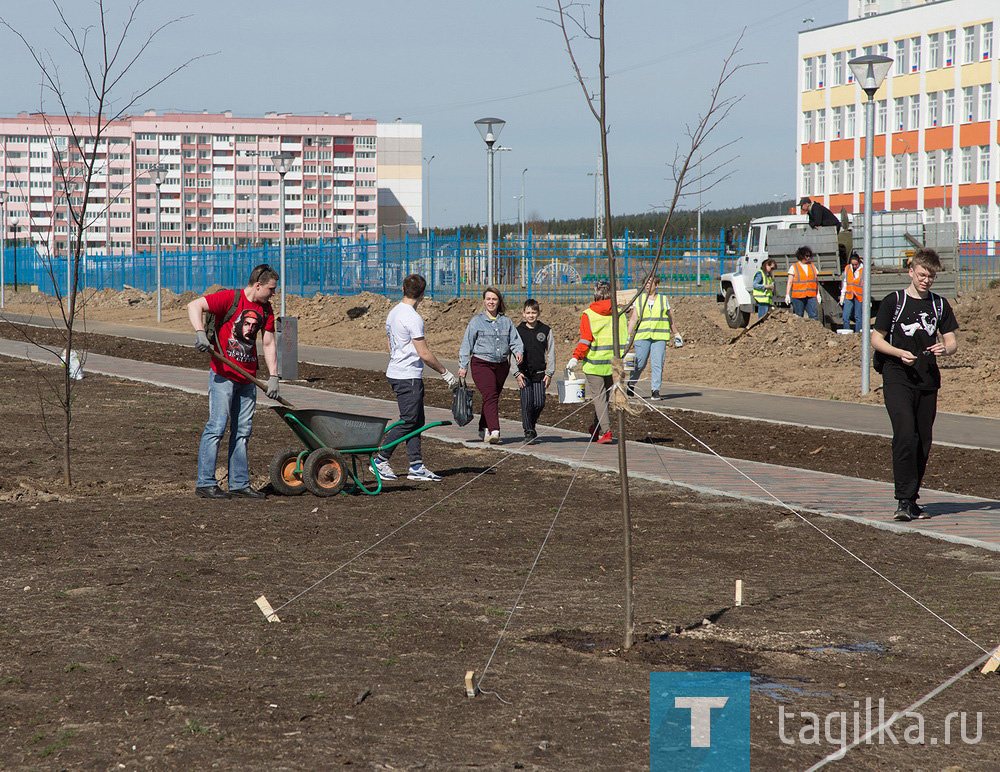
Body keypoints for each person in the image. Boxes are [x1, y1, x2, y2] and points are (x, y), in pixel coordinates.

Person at [871, 249, 958, 522]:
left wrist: (946, 349)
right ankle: (903, 499)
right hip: (897, 375)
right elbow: (876, 339)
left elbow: (952, 340)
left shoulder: (939, 305)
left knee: (922, 441)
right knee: (905, 434)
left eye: (931, 276)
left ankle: (913, 498)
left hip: (927, 379)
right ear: (911, 271)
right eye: (922, 275)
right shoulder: (893, 301)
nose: (926, 280)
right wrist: (897, 353)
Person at [187, 263, 280, 500]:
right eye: (271, 289)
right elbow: (194, 305)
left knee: (242, 432)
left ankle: (239, 484)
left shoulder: (266, 310)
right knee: (216, 428)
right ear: (258, 285)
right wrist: (199, 332)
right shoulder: (231, 299)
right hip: (223, 376)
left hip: (248, 380)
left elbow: (268, 343)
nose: (273, 293)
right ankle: (205, 483)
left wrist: (273, 377)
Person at [372, 274, 457, 482]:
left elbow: (390, 344)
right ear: (423, 294)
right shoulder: (412, 317)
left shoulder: (393, 313)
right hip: (407, 377)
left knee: (417, 421)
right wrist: (445, 373)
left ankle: (416, 466)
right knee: (410, 421)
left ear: (402, 289)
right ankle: (380, 460)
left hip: (398, 372)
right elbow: (424, 354)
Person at [458, 286, 523, 443]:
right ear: (484, 301)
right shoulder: (476, 322)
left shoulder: (506, 322)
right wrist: (463, 366)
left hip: (501, 365)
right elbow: (467, 344)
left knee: (491, 397)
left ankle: (483, 428)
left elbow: (515, 340)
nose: (491, 302)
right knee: (490, 395)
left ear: (499, 301)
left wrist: (518, 350)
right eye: (488, 299)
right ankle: (494, 430)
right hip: (481, 364)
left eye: (494, 299)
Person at [567, 280, 627, 444]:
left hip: (594, 364)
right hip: (614, 364)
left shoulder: (589, 314)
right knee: (605, 398)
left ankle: (606, 432)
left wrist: (576, 357)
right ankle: (596, 427)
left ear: (595, 294)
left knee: (599, 399)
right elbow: (625, 338)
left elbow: (586, 340)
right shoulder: (620, 313)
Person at [626, 274, 675, 400]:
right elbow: (633, 319)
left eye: (650, 283)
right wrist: (627, 334)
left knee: (657, 363)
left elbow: (670, 318)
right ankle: (631, 384)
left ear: (656, 285)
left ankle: (655, 390)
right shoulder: (639, 299)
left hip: (659, 336)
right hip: (642, 336)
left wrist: (676, 333)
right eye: (646, 283)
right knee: (640, 363)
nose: (647, 285)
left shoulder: (663, 299)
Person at [515, 298, 555, 442]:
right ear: (523, 314)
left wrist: (549, 373)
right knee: (526, 402)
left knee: (539, 402)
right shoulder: (518, 331)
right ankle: (528, 430)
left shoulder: (545, 330)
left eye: (533, 312)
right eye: (528, 313)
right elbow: (512, 352)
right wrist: (516, 372)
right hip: (524, 373)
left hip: (540, 374)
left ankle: (531, 422)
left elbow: (550, 353)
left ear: (538, 313)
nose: (531, 315)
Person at [785, 245, 820, 320]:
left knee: (813, 315)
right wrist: (787, 294)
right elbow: (790, 281)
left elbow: (816, 281)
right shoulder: (794, 267)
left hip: (811, 295)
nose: (808, 258)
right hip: (798, 296)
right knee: (798, 316)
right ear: (801, 256)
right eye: (807, 256)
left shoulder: (812, 266)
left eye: (809, 256)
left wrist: (818, 294)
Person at [839, 252, 864, 332]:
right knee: (845, 316)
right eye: (852, 264)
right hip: (849, 295)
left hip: (859, 296)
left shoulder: (863, 270)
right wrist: (842, 295)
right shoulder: (848, 268)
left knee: (858, 317)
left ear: (859, 262)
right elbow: (845, 282)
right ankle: (847, 333)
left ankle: (858, 334)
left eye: (856, 264)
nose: (854, 266)